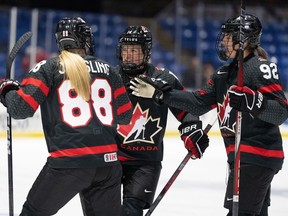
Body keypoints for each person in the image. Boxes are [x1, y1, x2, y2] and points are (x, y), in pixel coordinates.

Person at [130, 14, 288, 216]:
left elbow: (281, 112)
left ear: (243, 39)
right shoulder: (224, 74)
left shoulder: (259, 67)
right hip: (240, 158)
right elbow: (198, 104)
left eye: (228, 37)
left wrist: (253, 102)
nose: (222, 41)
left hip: (257, 156)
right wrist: (161, 94)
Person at [0, 16, 133, 216]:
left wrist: (7, 91)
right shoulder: (109, 71)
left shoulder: (49, 68)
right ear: (85, 39)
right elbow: (125, 117)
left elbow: (20, 109)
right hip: (108, 164)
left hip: (69, 165)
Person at [80, 25, 209, 216]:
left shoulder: (163, 78)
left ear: (146, 52)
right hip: (111, 159)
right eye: (125, 50)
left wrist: (192, 130)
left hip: (145, 162)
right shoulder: (109, 77)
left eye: (134, 50)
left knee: (131, 211)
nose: (128, 55)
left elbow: (186, 109)